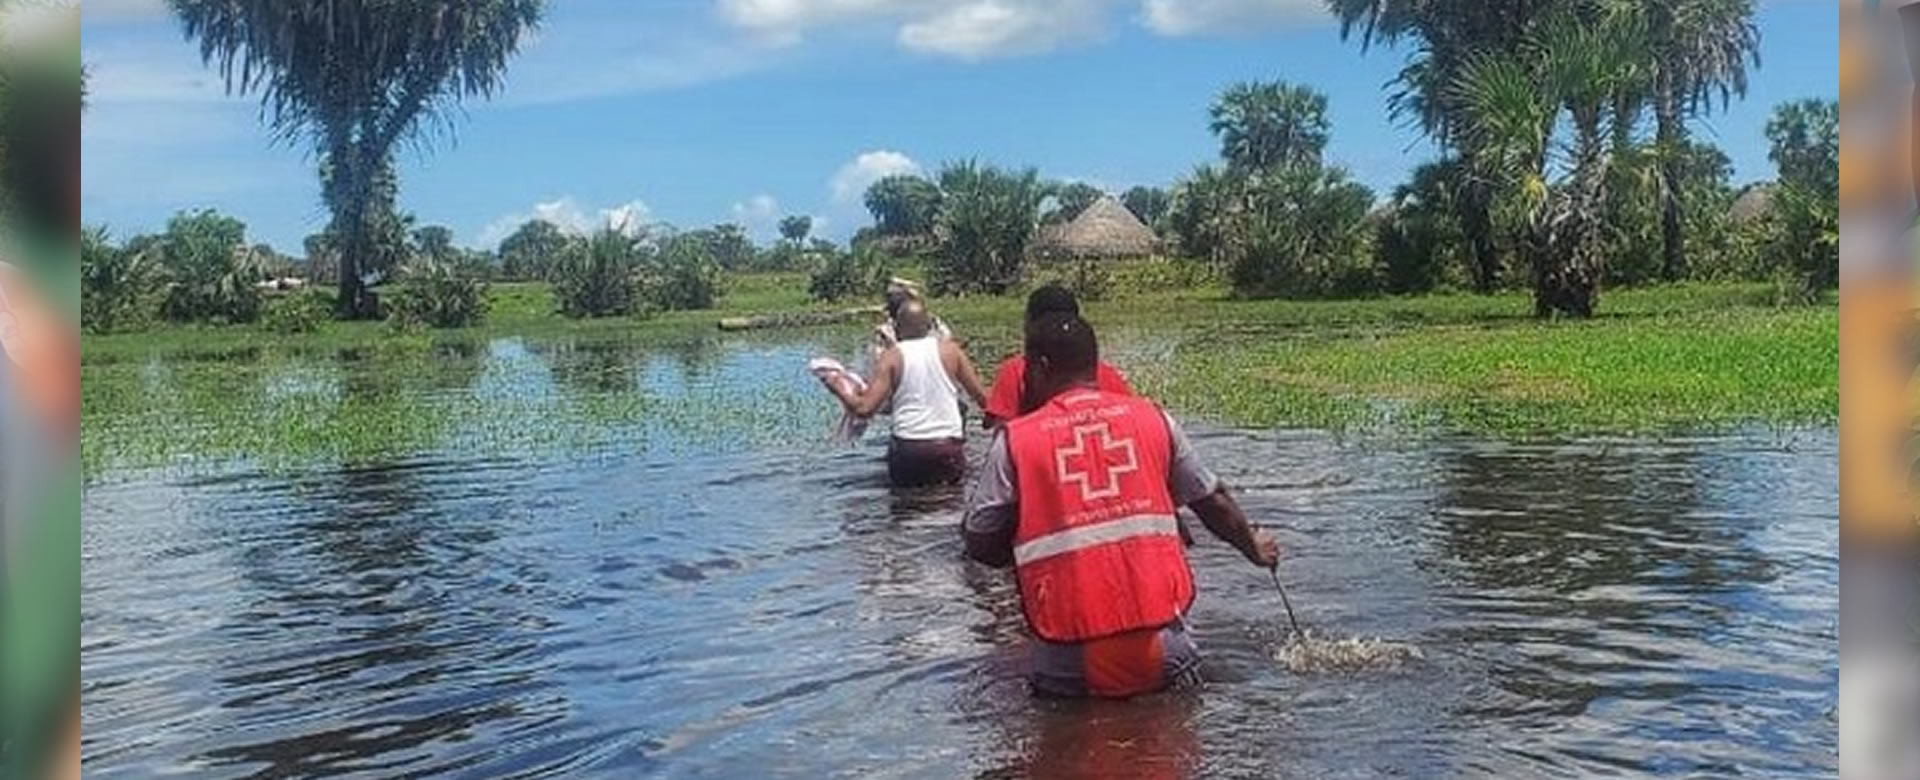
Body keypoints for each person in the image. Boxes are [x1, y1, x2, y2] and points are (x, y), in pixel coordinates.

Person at [962, 313, 1278, 698]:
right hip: (1163, 643)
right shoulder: (1154, 418)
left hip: (1069, 652)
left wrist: (1026, 521)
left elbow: (979, 539)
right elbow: (1211, 501)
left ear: (1040, 367)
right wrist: (1254, 547)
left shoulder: (1016, 441)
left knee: (1066, 745)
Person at [829, 301, 991, 487]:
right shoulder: (951, 351)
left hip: (908, 448)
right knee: (951, 504)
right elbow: (985, 400)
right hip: (946, 447)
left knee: (905, 508)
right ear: (930, 326)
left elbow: (864, 409)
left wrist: (837, 387)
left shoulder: (891, 356)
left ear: (897, 329)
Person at [982, 284, 1132, 428]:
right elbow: (1127, 418)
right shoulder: (1105, 372)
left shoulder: (1015, 371)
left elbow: (1002, 430)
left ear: (1030, 324)